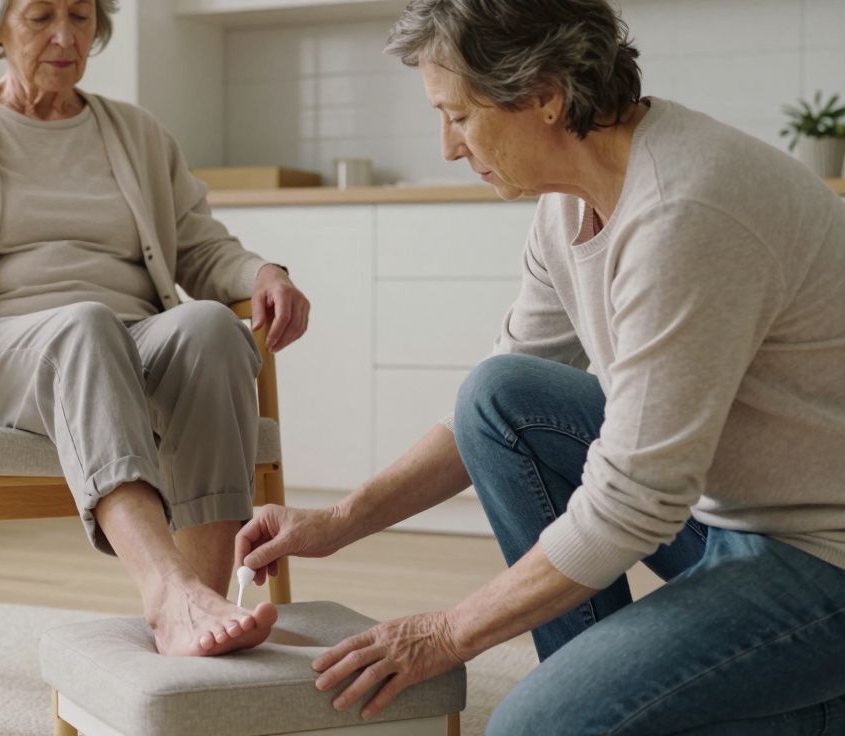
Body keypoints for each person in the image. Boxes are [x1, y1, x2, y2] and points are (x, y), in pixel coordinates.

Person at [236, 0, 845, 731]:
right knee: (498, 398)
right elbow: (499, 399)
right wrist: (337, 520)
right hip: (730, 517)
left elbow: (633, 501)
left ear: (546, 96)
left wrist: (446, 633)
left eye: (458, 116)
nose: (447, 148)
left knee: (529, 728)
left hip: (822, 555)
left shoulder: (685, 212)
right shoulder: (571, 202)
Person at [0, 0, 311, 657]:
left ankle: (201, 607)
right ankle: (166, 594)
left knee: (208, 327)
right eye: (40, 17)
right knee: (84, 326)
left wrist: (264, 273)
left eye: (81, 16)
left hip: (127, 346)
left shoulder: (138, 134)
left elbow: (202, 250)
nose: (65, 36)